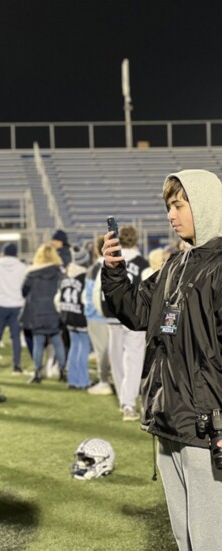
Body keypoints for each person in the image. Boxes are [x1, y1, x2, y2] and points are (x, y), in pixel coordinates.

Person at [101, 169, 222, 550]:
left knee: (209, 536)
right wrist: (115, 272)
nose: (171, 215)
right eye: (169, 207)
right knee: (185, 534)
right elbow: (137, 312)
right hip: (168, 416)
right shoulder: (175, 265)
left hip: (208, 424)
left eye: (179, 205)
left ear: (203, 206)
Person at [100, 225, 149, 421]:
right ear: (136, 240)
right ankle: (128, 403)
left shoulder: (111, 258)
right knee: (133, 359)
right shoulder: (142, 262)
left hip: (113, 314)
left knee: (117, 358)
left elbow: (101, 287)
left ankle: (123, 400)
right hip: (134, 315)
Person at [20, 243, 66, 383]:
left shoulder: (31, 273)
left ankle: (37, 373)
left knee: (38, 342)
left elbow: (24, 292)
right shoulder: (59, 273)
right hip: (55, 311)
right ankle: (63, 372)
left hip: (37, 312)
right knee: (58, 341)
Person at [0, 243, 27, 374]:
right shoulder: (23, 267)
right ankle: (17, 366)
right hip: (17, 305)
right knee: (16, 338)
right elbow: (26, 286)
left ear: (3, 252)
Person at [55, 247, 91, 389]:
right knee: (83, 349)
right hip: (81, 316)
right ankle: (83, 381)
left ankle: (72, 380)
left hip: (68, 316)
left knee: (73, 348)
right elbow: (86, 299)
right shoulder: (85, 277)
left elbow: (57, 299)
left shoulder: (65, 275)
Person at [84, 235, 113, 396]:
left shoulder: (94, 268)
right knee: (114, 351)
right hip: (115, 315)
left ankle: (104, 382)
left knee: (102, 351)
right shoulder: (119, 264)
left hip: (98, 315)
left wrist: (90, 313)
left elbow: (89, 296)